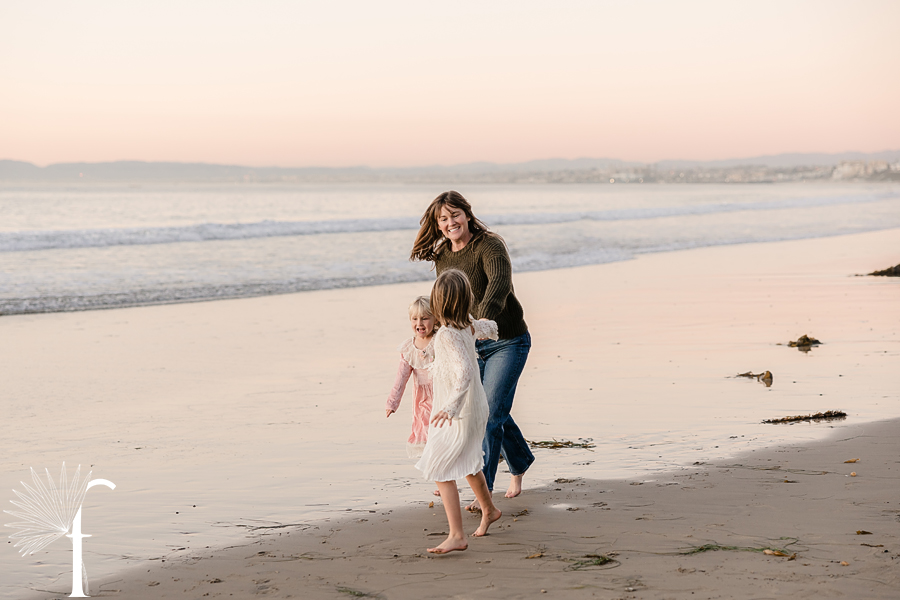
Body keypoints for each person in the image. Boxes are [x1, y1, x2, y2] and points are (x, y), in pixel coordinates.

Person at [411, 191, 534, 507]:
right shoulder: (444, 257)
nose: (450, 222)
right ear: (438, 225)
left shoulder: (489, 245)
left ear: (467, 214)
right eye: (443, 218)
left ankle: (485, 494)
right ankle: (519, 462)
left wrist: (483, 321)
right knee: (485, 412)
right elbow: (447, 303)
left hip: (507, 340)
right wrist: (436, 338)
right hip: (469, 347)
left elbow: (499, 283)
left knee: (490, 413)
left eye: (455, 215)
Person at [414, 269, 502, 553]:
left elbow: (464, 371)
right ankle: (489, 510)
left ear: (438, 304)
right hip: (474, 407)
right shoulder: (466, 325)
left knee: (439, 467)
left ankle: (456, 535)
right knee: (468, 461)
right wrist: (490, 328)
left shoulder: (447, 336)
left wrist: (451, 406)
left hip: (458, 411)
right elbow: (487, 327)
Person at [385, 296, 437, 459]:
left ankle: (448, 479)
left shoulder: (440, 341)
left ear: (435, 319)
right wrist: (392, 402)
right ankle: (441, 480)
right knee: (427, 435)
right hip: (422, 401)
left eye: (425, 318)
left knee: (443, 435)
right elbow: (401, 378)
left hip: (442, 395)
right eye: (414, 319)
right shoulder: (409, 348)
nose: (419, 323)